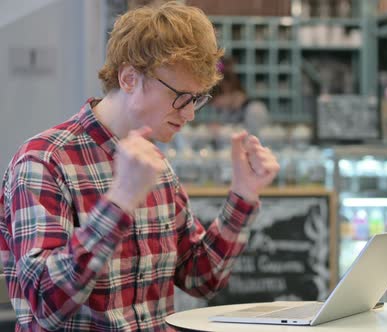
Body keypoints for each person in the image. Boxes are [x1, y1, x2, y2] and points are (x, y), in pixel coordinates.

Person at [0, 2, 279, 331]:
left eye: (198, 99)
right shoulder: (44, 160)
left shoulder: (156, 164)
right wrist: (119, 201)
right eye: (181, 97)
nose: (190, 114)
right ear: (130, 78)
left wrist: (243, 195)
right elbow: (46, 305)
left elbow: (201, 277)